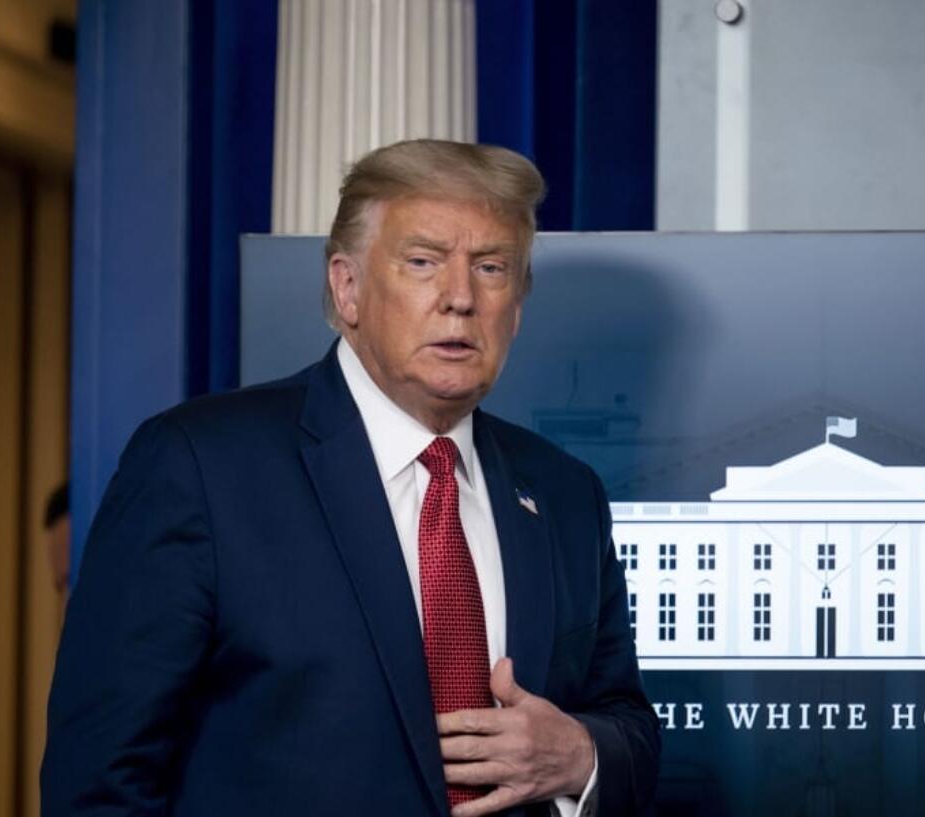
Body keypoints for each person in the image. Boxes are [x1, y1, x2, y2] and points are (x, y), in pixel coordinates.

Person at [42, 139, 659, 816]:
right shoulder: (199, 464)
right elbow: (100, 778)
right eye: (423, 262)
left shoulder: (566, 492)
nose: (460, 298)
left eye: (491, 267)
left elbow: (626, 723)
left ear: (517, 305)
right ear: (348, 286)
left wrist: (579, 753)